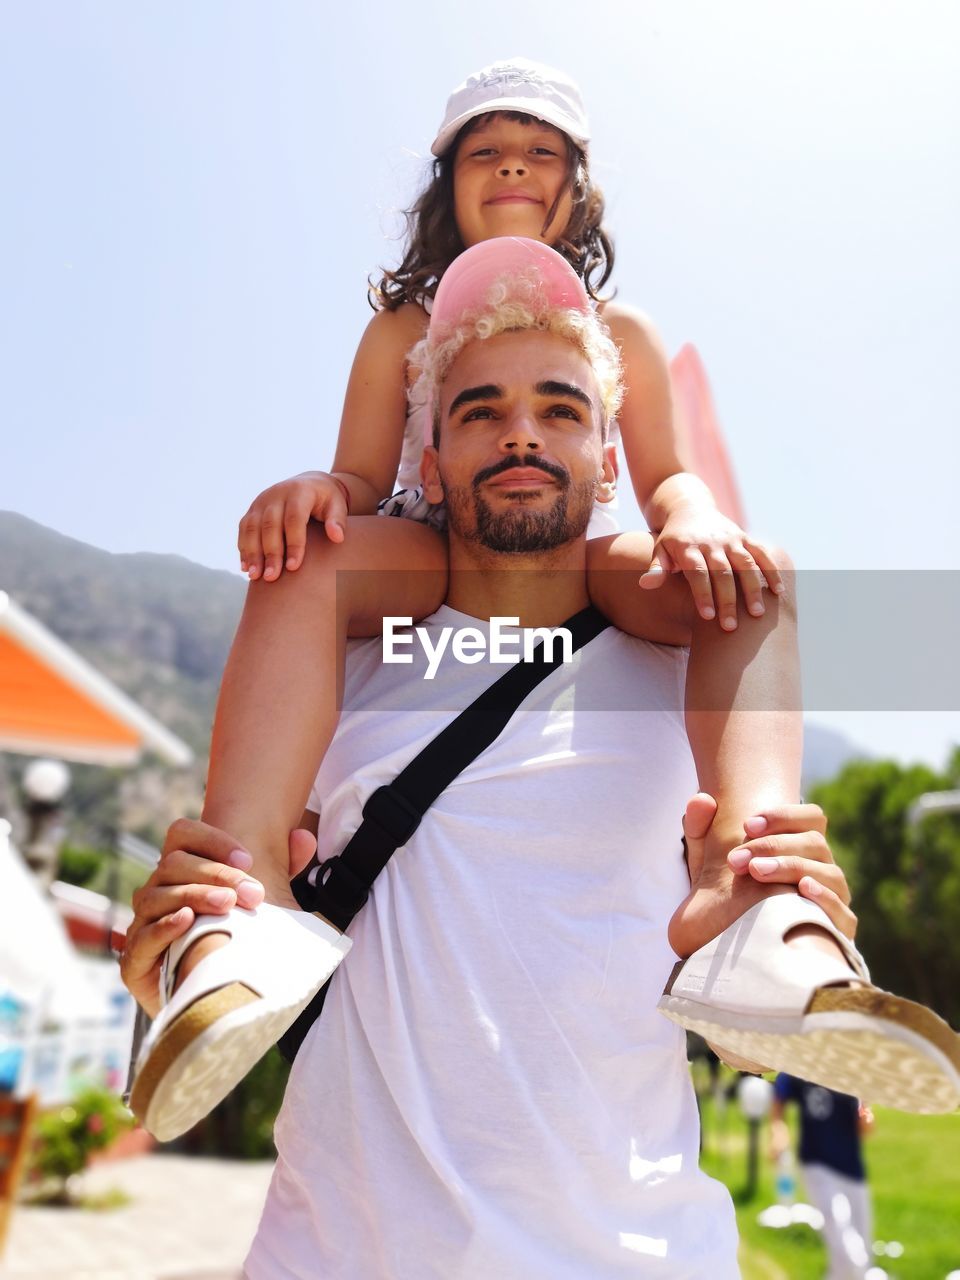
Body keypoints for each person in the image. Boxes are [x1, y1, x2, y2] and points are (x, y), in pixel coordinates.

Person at [124, 241, 959, 1144]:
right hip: (336, 1249)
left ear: (609, 463)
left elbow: (749, 1052)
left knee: (764, 574)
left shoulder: (696, 663)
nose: (520, 432)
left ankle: (750, 904)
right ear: (430, 465)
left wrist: (786, 914)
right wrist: (175, 949)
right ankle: (244, 923)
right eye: (481, 412)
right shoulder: (333, 642)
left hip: (648, 1247)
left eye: (558, 410)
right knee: (296, 579)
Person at [771, 1074, 876, 1280]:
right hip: (816, 1163)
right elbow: (779, 1099)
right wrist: (778, 1132)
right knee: (847, 1248)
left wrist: (866, 1116)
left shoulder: (853, 1069)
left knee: (861, 1246)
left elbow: (865, 1125)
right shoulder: (801, 1065)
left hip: (851, 1166)